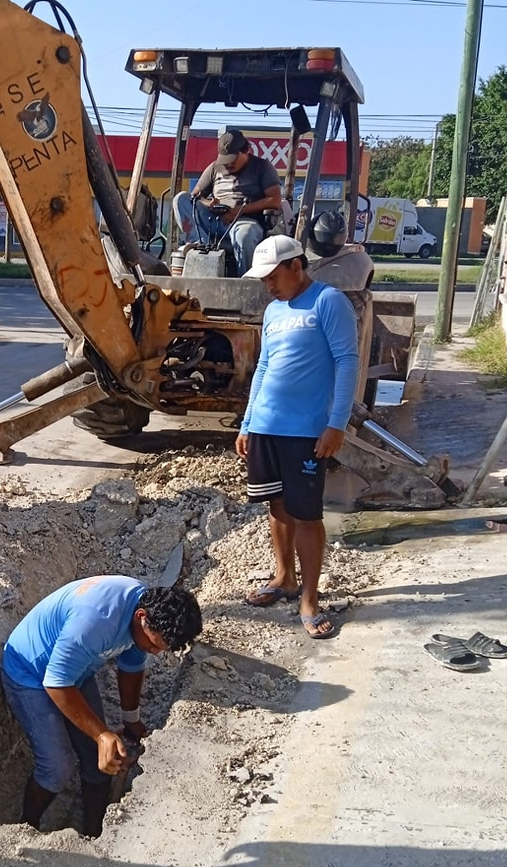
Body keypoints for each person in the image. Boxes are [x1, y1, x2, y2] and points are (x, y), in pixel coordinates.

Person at [0, 576, 202, 838]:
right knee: (58, 767)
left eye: (160, 648)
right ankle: (26, 829)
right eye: (153, 643)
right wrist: (102, 735)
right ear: (141, 616)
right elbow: (57, 683)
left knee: (103, 760)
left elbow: (131, 666)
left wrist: (130, 720)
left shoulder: (144, 616)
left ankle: (94, 834)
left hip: (75, 673)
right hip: (29, 673)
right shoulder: (96, 621)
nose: (154, 652)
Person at [235, 235, 359, 639]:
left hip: (306, 431)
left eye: (273, 276)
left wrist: (336, 423)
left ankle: (309, 597)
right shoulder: (273, 310)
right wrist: (247, 422)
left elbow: (346, 362)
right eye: (263, 279)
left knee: (307, 513)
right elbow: (264, 368)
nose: (268, 285)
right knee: (277, 506)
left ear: (296, 266)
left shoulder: (328, 302)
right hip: (266, 427)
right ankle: (284, 578)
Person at [173, 128, 282, 275]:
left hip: (244, 221)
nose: (228, 165)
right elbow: (195, 196)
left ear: (246, 151)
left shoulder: (262, 167)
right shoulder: (214, 168)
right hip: (214, 221)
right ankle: (199, 244)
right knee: (181, 199)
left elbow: (274, 200)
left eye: (232, 159)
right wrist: (208, 202)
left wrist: (239, 210)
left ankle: (245, 279)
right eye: (224, 160)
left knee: (245, 234)